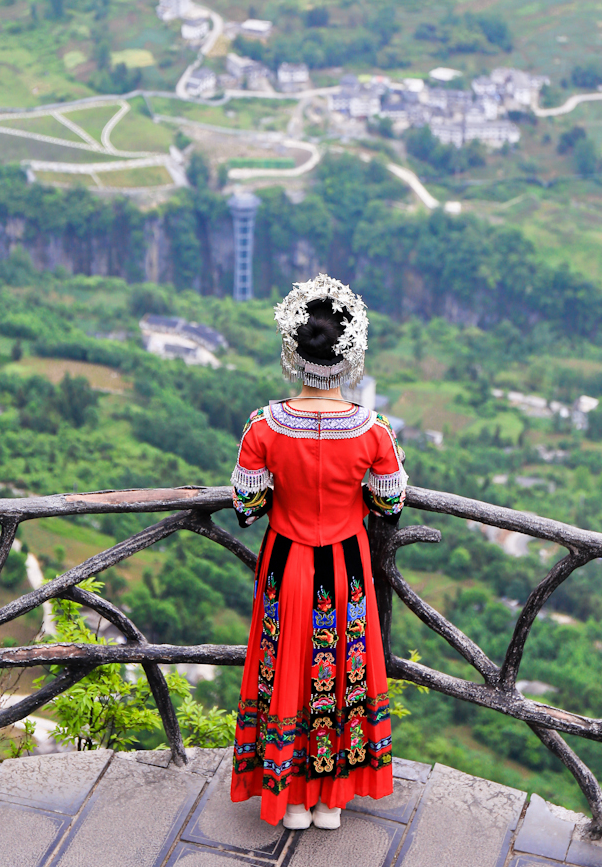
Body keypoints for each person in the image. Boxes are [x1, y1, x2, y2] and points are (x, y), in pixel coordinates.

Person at [229, 273, 408, 831]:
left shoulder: (263, 427)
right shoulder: (374, 431)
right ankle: (332, 799)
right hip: (347, 567)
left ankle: (290, 797)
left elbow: (247, 508)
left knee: (284, 666)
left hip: (286, 563)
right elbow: (390, 504)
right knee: (343, 669)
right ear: (350, 355)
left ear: (294, 350)